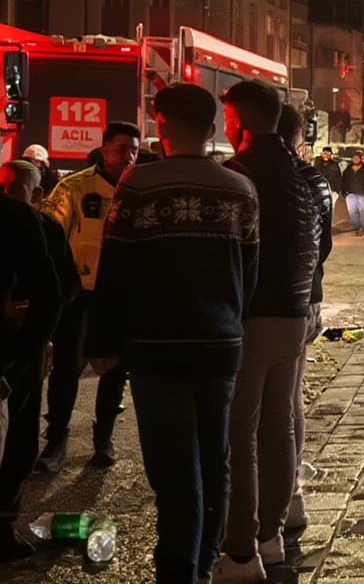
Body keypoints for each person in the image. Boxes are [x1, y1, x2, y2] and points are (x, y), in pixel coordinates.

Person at [85, 84, 259, 584]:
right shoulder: (240, 189)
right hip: (220, 344)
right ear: (212, 130)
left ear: (160, 126)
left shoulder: (138, 185)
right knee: (214, 459)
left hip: (156, 346)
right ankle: (203, 564)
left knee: (172, 466)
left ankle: (177, 570)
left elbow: (113, 271)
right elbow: (250, 274)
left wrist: (102, 344)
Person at [214, 80, 319, 583]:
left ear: (239, 121)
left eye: (229, 119)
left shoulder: (242, 172)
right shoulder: (301, 173)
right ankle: (272, 536)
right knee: (278, 426)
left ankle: (240, 549)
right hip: (294, 311)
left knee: (242, 431)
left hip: (253, 314)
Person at [36, 121, 140, 472]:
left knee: (115, 369)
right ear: (104, 148)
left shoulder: (139, 189)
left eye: (134, 149)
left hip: (121, 296)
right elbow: (51, 239)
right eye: (122, 148)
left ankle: (103, 438)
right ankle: (56, 439)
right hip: (80, 295)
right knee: (67, 368)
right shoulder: (74, 188)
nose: (129, 155)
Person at [0, 160, 69, 561]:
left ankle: (4, 520)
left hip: (21, 354)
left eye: (18, 186)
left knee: (21, 444)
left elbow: (60, 289)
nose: (9, 191)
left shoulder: (43, 228)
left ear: (38, 194)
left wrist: (32, 337)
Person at [276, 104, 333, 533]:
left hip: (260, 307)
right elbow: (323, 243)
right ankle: (290, 494)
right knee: (289, 398)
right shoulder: (313, 178)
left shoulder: (245, 173)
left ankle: (262, 515)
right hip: (305, 299)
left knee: (251, 414)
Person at [341, 150, 364, 237]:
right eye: (354, 158)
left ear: (360, 159)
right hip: (351, 194)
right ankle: (357, 228)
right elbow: (343, 181)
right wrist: (344, 192)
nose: (356, 159)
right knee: (352, 212)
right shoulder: (348, 170)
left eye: (358, 158)